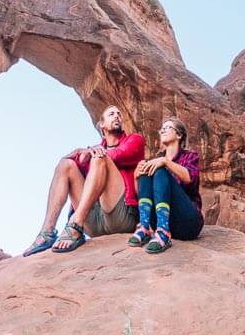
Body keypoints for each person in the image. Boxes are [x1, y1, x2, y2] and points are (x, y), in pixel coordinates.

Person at [22, 105, 144, 255]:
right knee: (66, 164)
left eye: (119, 114)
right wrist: (80, 154)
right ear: (102, 125)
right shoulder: (94, 151)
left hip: (121, 217)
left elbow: (121, 154)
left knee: (99, 158)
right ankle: (46, 233)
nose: (117, 116)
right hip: (94, 223)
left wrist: (89, 153)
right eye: (111, 114)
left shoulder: (134, 139)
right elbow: (71, 162)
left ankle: (75, 225)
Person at [129, 117, 203, 254]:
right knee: (146, 167)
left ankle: (163, 231)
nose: (162, 130)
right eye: (161, 128)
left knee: (159, 169)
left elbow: (189, 178)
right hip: (160, 220)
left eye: (168, 127)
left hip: (187, 222)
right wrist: (136, 176)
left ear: (179, 135)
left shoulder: (190, 156)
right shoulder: (155, 161)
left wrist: (166, 162)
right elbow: (141, 195)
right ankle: (144, 228)